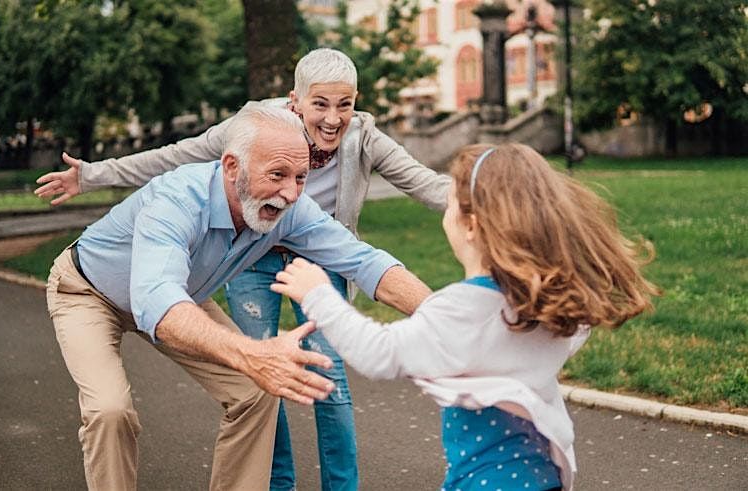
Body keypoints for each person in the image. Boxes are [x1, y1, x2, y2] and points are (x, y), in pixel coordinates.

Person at [35, 47, 450, 490]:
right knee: (110, 410)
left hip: (181, 298)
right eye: (276, 176)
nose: (291, 194)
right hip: (89, 292)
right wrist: (253, 354)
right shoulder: (176, 201)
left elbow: (366, 262)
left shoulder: (294, 204)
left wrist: (443, 317)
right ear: (232, 167)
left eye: (301, 178)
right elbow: (156, 299)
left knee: (256, 392)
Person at [272, 143, 660, 491]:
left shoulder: (461, 310)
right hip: (544, 477)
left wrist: (319, 294)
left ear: (471, 225)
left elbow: (378, 353)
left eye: (450, 201)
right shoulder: (551, 305)